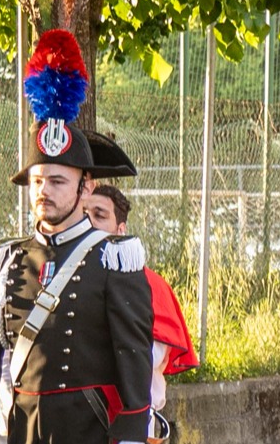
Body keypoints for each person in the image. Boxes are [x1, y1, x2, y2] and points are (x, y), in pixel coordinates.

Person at [0, 29, 154, 444]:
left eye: (58, 182)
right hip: (22, 432)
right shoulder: (4, 260)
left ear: (86, 189)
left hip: (89, 432)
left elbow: (133, 361)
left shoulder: (113, 258)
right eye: (38, 180)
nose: (44, 191)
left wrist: (133, 435)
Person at [80, 181, 200, 439]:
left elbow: (147, 358)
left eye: (99, 215)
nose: (89, 222)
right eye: (84, 214)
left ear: (120, 230)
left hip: (127, 421)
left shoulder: (149, 285)